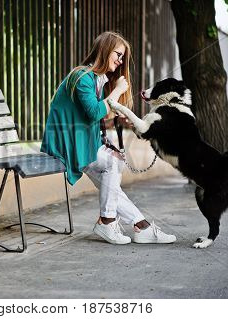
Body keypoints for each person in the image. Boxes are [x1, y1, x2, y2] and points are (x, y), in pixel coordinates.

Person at [41, 31, 176, 245]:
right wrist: (118, 91)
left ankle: (141, 226)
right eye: (118, 54)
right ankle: (107, 221)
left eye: (123, 57)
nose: (120, 61)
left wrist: (120, 116)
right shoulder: (82, 77)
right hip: (66, 144)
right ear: (104, 50)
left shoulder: (96, 80)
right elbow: (94, 113)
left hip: (81, 143)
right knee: (113, 164)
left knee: (111, 178)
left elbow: (94, 115)